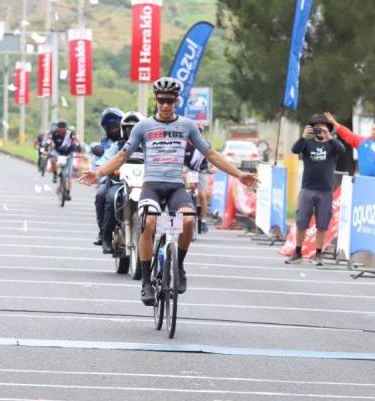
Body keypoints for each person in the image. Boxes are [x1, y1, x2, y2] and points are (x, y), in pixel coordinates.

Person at [79, 77, 257, 305]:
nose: (165, 105)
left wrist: (239, 175)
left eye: (170, 101)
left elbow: (211, 154)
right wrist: (99, 172)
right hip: (151, 186)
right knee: (150, 222)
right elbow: (122, 156)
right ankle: (145, 282)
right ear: (156, 100)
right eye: (161, 100)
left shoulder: (187, 126)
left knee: (189, 222)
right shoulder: (143, 127)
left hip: (175, 187)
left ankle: (179, 266)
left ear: (176, 101)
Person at [286, 114, 345, 266]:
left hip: (325, 191)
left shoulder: (332, 144)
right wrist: (303, 137)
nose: (320, 129)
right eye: (317, 126)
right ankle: (298, 252)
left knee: (322, 224)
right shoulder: (307, 142)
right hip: (307, 189)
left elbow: (342, 149)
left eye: (323, 126)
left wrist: (329, 137)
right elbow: (295, 150)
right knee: (301, 222)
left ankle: (318, 254)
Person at [94, 111, 144, 254]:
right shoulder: (118, 146)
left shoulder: (149, 147)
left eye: (135, 128)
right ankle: (106, 236)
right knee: (109, 197)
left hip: (143, 185)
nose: (132, 131)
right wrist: (102, 169)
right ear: (124, 129)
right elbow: (103, 161)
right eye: (129, 128)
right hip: (119, 184)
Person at [324, 112, 375, 181]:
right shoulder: (362, 142)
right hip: (365, 180)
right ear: (371, 131)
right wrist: (335, 123)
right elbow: (348, 135)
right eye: (374, 129)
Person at [92, 108, 124, 246]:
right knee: (101, 195)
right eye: (110, 127)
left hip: (137, 181)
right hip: (111, 180)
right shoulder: (109, 145)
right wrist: (100, 173)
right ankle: (103, 231)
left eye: (117, 125)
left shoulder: (139, 140)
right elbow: (99, 163)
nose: (114, 129)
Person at [183, 125, 210, 233]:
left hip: (201, 171)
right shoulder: (183, 144)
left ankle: (203, 220)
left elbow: (212, 157)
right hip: (187, 171)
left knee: (202, 195)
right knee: (184, 191)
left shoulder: (205, 144)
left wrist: (212, 168)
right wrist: (183, 172)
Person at [49, 120, 80, 200]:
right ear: (58, 128)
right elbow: (50, 141)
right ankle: (55, 174)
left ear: (65, 128)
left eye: (63, 128)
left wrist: (78, 145)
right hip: (58, 153)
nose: (62, 130)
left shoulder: (69, 134)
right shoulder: (54, 133)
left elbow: (76, 140)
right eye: (60, 128)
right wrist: (47, 147)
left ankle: (68, 192)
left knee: (69, 175)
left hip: (68, 154)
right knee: (52, 159)